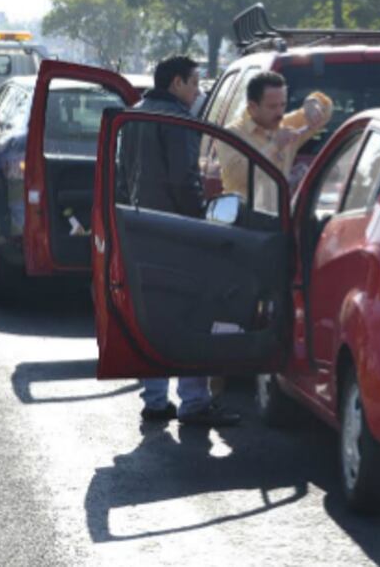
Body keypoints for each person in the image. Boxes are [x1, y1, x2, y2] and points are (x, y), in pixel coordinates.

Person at [120, 55, 240, 427]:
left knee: (150, 318)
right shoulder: (178, 121)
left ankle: (155, 401)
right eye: (194, 83)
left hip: (140, 228)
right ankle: (194, 402)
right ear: (176, 84)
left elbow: (123, 173)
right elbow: (184, 177)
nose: (198, 91)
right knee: (193, 317)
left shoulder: (135, 114)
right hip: (178, 233)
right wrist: (201, 224)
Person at [216, 71, 333, 200]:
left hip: (280, 215)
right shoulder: (231, 134)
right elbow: (239, 177)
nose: (279, 113)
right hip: (245, 216)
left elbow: (324, 113)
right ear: (252, 107)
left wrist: (312, 102)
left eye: (283, 105)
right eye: (272, 107)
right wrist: (274, 146)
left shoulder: (284, 124)